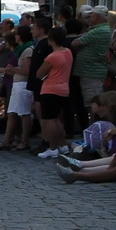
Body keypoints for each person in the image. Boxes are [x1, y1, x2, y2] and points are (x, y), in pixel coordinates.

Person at [35, 26, 75, 159]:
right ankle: (62, 145)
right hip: (63, 89)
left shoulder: (52, 56)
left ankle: (52, 147)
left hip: (50, 89)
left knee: (48, 120)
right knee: (56, 119)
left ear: (51, 39)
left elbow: (39, 73)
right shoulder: (68, 52)